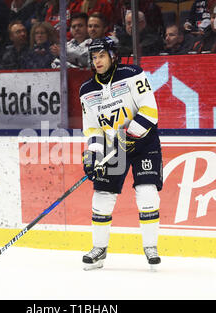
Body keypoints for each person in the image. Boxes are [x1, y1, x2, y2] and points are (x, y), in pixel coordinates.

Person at [79, 37, 163, 270]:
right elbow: (94, 129)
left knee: (147, 192)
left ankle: (150, 248)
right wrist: (93, 155)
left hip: (143, 143)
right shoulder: (86, 90)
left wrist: (131, 134)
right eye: (94, 57)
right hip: (113, 149)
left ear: (112, 55)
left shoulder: (132, 73)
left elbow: (149, 109)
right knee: (102, 196)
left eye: (102, 56)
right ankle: (99, 250)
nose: (97, 61)